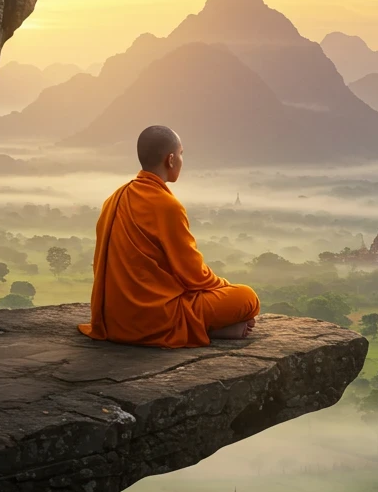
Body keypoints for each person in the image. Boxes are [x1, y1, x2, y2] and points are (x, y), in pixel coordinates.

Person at [78, 125, 260, 347]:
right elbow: (194, 276)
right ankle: (204, 328)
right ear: (171, 159)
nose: (182, 161)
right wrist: (223, 287)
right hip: (156, 319)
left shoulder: (114, 199)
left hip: (113, 320)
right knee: (247, 297)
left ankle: (214, 328)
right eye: (182, 154)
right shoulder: (167, 206)